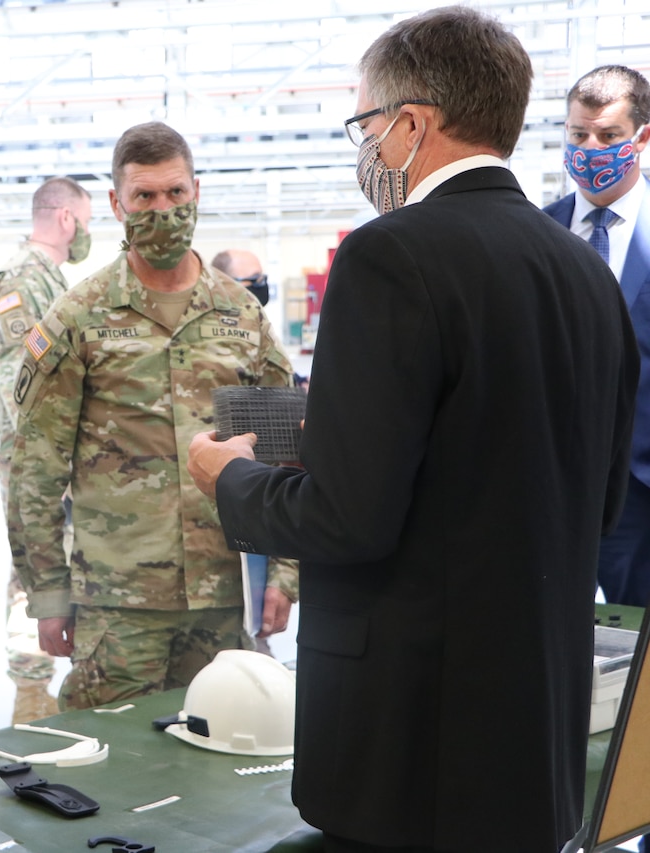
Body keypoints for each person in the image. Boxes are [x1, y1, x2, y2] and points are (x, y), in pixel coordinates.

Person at [189, 8, 638, 852]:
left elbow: (347, 517)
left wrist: (231, 479)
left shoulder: (389, 255)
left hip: (411, 748)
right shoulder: (586, 272)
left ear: (412, 125)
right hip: (533, 734)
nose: (363, 147)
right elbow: (596, 499)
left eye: (364, 123)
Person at [7, 121, 298, 713]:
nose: (162, 211)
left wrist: (287, 574)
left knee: (223, 768)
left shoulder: (242, 314)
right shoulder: (79, 317)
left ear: (197, 191)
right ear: (117, 203)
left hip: (226, 596)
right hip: (118, 607)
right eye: (144, 197)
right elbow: (36, 470)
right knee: (114, 775)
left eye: (175, 194)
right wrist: (47, 594)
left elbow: (285, 454)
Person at [0, 177, 91, 722]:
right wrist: (54, 461)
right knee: (36, 562)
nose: (87, 232)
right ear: (67, 219)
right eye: (87, 220)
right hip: (33, 457)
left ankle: (50, 685)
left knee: (61, 559)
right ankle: (30, 693)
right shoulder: (23, 281)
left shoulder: (50, 280)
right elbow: (18, 382)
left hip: (56, 455)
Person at [543, 65, 650, 611]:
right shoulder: (539, 232)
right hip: (555, 480)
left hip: (641, 484)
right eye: (578, 134)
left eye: (608, 137)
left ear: (642, 137)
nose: (590, 147)